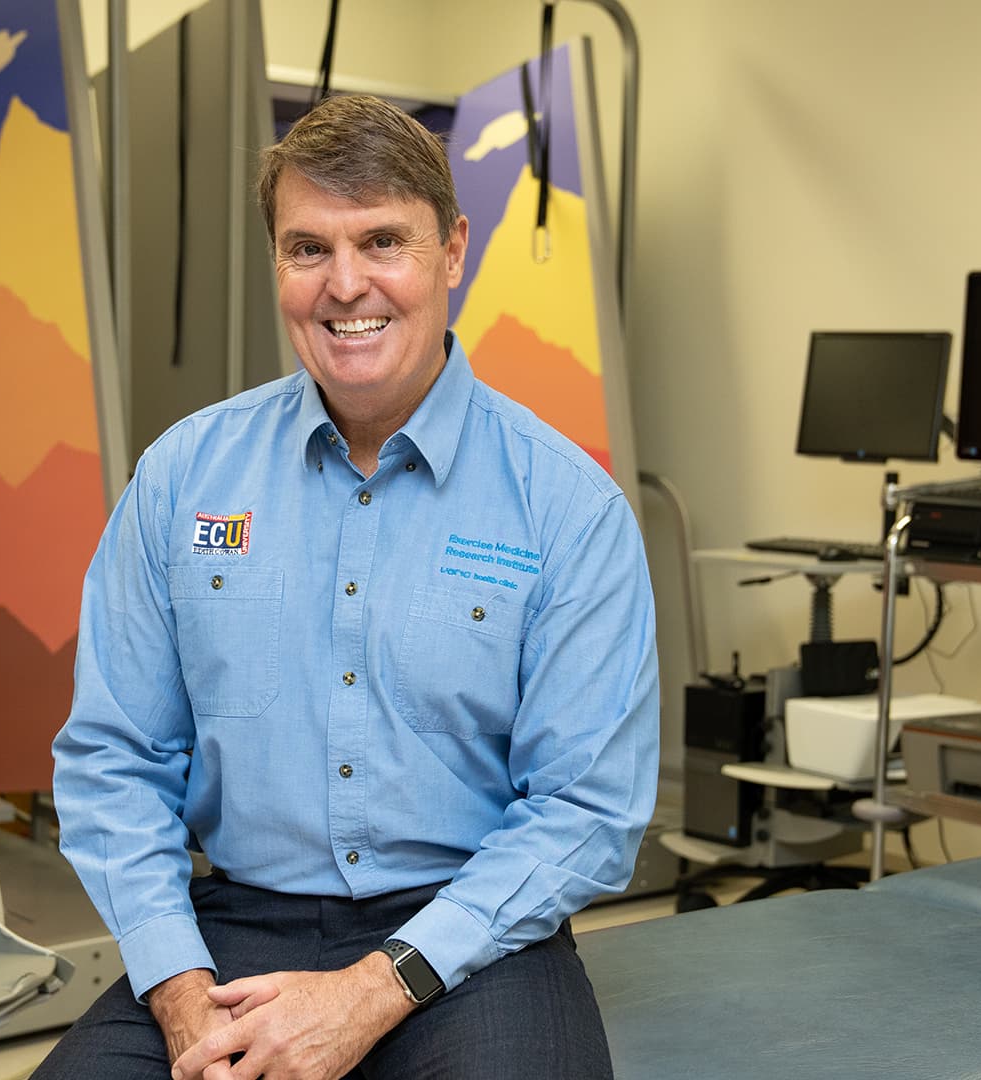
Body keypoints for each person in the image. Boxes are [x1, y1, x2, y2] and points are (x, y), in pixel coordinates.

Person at [40, 93, 658, 1080]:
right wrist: (183, 997)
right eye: (307, 249)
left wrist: (374, 989)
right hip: (232, 934)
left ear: (453, 251)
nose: (346, 284)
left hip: (471, 940)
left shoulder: (567, 509)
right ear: (277, 264)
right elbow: (115, 759)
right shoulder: (182, 478)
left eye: (382, 241)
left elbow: (587, 810)